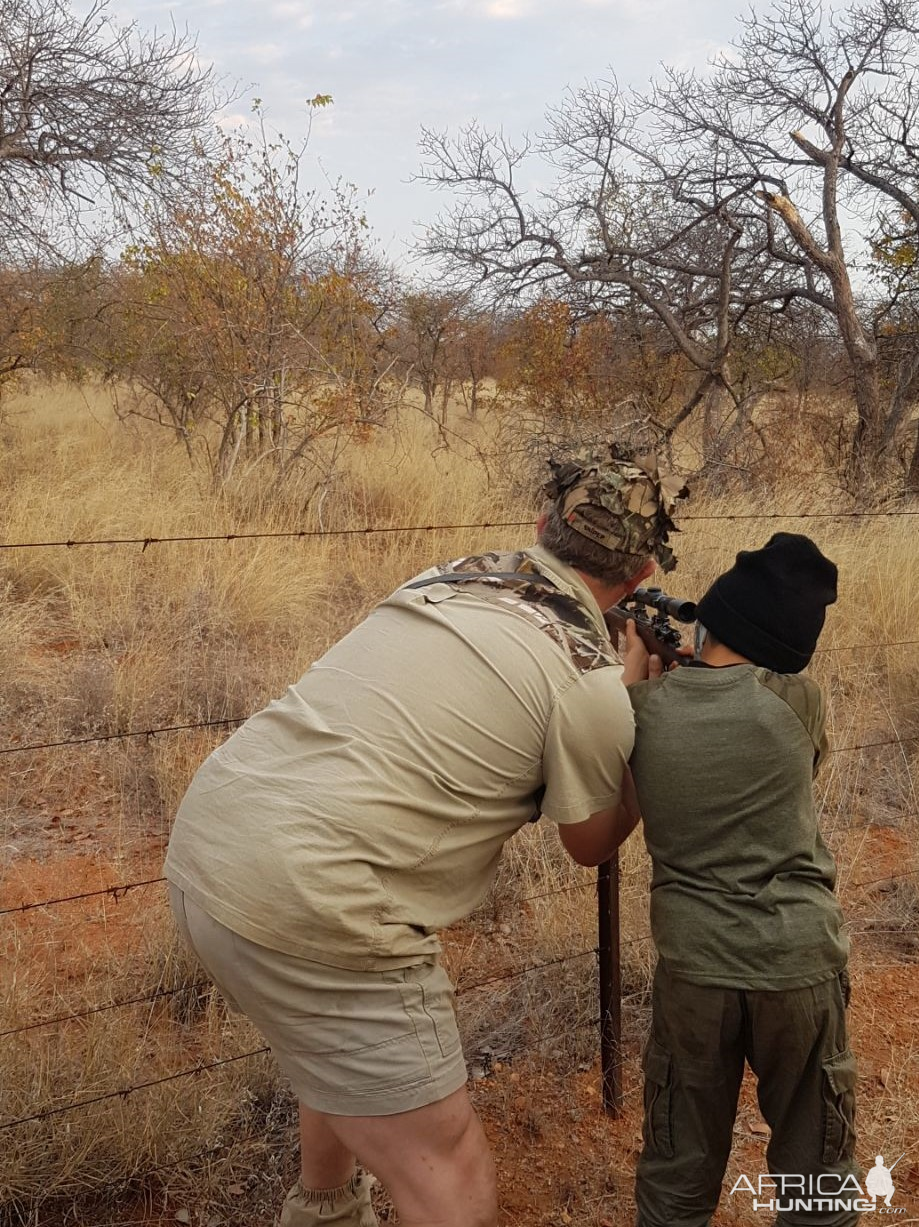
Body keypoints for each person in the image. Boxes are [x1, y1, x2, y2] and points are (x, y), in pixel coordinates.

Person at [164, 449, 686, 1227]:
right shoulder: (588, 681)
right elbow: (591, 841)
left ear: (542, 526)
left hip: (210, 844)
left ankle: (326, 1206)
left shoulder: (446, 576)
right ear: (642, 576)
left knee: (332, 1043)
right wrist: (639, 713)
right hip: (320, 902)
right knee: (449, 1168)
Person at [626, 533, 858, 1227]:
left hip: (694, 970)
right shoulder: (797, 704)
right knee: (817, 1179)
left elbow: (627, 731)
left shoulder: (642, 711)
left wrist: (637, 662)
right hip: (797, 962)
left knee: (675, 1181)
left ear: (711, 617)